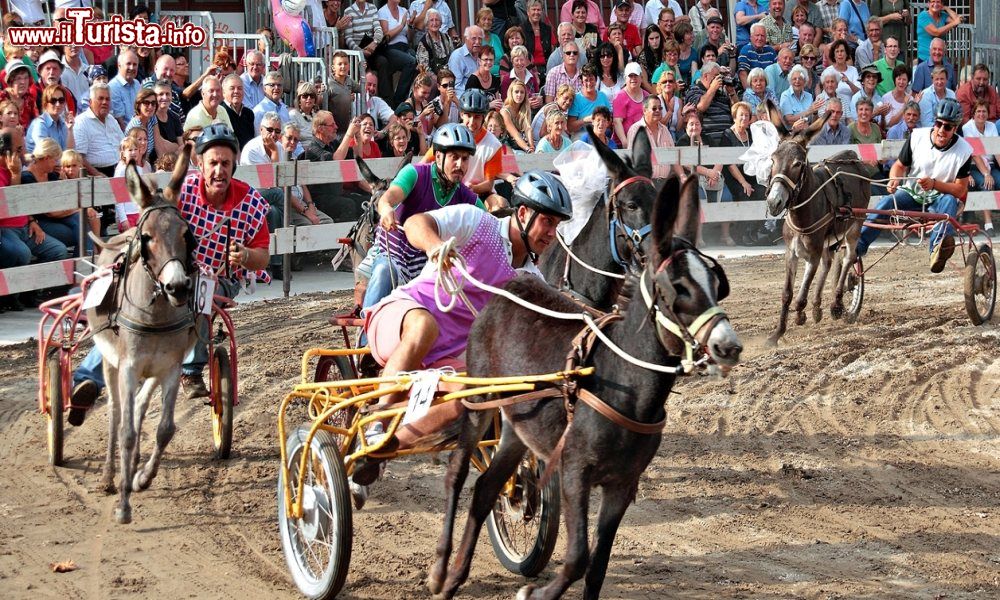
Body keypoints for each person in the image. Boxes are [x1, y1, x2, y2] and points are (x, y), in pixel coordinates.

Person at [71, 124, 273, 411]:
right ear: (200, 164)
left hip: (219, 277)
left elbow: (263, 256)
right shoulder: (183, 191)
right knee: (127, 304)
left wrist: (245, 255)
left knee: (203, 290)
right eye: (213, 163)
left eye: (225, 164)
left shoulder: (251, 202)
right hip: (171, 272)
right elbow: (155, 222)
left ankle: (191, 372)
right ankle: (86, 380)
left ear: (234, 165)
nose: (219, 171)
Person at [362, 171, 572, 413]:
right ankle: (377, 422)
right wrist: (434, 246)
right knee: (424, 326)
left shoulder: (530, 280)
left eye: (556, 225)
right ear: (523, 213)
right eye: (547, 221)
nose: (552, 234)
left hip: (444, 358)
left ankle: (395, 442)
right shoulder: (476, 222)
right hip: (398, 321)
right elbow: (415, 223)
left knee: (476, 394)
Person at [363, 123, 485, 321]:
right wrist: (385, 210)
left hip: (432, 264)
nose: (460, 165)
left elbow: (490, 225)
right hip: (395, 254)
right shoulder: (415, 173)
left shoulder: (467, 196)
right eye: (454, 157)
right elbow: (388, 198)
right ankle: (364, 343)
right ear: (438, 156)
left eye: (465, 159)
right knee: (384, 271)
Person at [857, 97, 970, 274]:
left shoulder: (964, 151)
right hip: (913, 193)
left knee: (949, 201)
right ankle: (859, 246)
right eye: (939, 124)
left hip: (939, 199)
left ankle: (936, 250)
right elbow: (899, 166)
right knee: (887, 203)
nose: (941, 130)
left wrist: (934, 184)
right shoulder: (917, 137)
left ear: (955, 129)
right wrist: (894, 178)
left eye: (948, 127)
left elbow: (961, 189)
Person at [0, 127, 69, 311]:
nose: (24, 153)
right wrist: (15, 175)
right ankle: (10, 296)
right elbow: (10, 204)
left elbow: (24, 204)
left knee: (58, 251)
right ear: (7, 152)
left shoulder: (16, 170)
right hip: (6, 229)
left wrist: (32, 221)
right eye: (19, 149)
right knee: (21, 253)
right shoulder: (11, 171)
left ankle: (32, 293)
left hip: (25, 226)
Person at [425, 89, 513, 198]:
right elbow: (424, 163)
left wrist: (471, 188)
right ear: (461, 114)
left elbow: (489, 184)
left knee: (499, 203)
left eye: (477, 117)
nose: (471, 122)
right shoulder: (448, 135)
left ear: (483, 118)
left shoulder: (493, 145)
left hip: (479, 193)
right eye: (468, 115)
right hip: (447, 190)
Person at [719, 101, 766, 244]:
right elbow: (730, 164)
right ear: (734, 117)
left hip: (750, 174)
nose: (744, 118)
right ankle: (739, 234)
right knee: (744, 193)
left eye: (747, 115)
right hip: (734, 177)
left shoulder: (751, 133)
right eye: (741, 115)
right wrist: (743, 182)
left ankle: (753, 230)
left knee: (763, 192)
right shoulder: (727, 134)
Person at [74, 82, 125, 177]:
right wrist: (97, 174)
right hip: (98, 174)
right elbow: (79, 157)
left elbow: (124, 145)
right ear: (90, 102)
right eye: (100, 98)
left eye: (107, 99)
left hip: (120, 170)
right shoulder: (81, 122)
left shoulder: (111, 119)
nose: (105, 102)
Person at [627, 96, 684, 178]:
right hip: (645, 184)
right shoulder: (635, 130)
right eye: (654, 108)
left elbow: (674, 156)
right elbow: (633, 162)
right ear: (644, 110)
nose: (658, 111)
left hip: (664, 183)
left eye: (660, 108)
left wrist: (682, 176)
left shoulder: (664, 129)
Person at [376, 0, 418, 106]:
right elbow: (386, 36)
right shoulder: (383, 11)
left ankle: (413, 98)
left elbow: (410, 38)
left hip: (405, 46)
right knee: (411, 61)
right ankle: (399, 100)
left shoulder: (404, 10)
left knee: (417, 60)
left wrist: (411, 26)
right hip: (390, 48)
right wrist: (402, 25)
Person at [685, 60, 736, 145]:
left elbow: (737, 111)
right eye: (716, 76)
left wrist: (732, 92)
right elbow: (701, 107)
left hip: (727, 138)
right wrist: (712, 88)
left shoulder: (721, 93)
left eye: (720, 76)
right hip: (707, 139)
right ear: (705, 76)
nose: (719, 79)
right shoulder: (694, 91)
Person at [26, 84, 75, 153]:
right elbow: (47, 155)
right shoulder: (40, 124)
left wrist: (70, 130)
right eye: (53, 101)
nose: (58, 104)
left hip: (57, 162)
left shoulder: (63, 123)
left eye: (61, 100)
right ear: (45, 104)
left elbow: (70, 152)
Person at [567, 64, 612, 134]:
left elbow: (610, 120)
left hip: (601, 133)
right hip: (582, 134)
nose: (589, 83)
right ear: (582, 82)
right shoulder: (577, 99)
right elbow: (570, 127)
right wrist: (585, 120)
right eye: (586, 80)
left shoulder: (602, 96)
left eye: (591, 79)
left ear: (596, 80)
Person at [613, 62, 648, 147]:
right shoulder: (620, 96)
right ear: (625, 78)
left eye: (636, 75)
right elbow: (617, 122)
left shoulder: (647, 96)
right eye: (630, 76)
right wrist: (625, 142)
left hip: (643, 142)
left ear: (641, 77)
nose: (633, 78)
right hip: (624, 143)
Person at [738, 24, 779, 90]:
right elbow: (742, 74)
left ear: (766, 38)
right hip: (753, 90)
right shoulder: (745, 50)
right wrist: (750, 93)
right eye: (757, 35)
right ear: (751, 37)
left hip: (770, 89)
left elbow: (777, 71)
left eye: (762, 36)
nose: (760, 38)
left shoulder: (771, 51)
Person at [416, 8, 455, 76]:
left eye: (437, 20)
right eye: (431, 20)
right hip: (432, 79)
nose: (434, 23)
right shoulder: (424, 43)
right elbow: (424, 69)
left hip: (448, 75)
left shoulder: (447, 38)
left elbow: (453, 58)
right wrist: (438, 81)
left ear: (440, 23)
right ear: (427, 24)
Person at [522, 0, 556, 77]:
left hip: (546, 68)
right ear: (528, 12)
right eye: (533, 9)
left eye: (539, 10)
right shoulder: (521, 29)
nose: (536, 12)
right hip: (528, 70)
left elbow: (552, 50)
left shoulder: (547, 29)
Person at [221, 75, 255, 150]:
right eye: (232, 88)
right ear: (223, 92)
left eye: (240, 88)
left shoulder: (249, 113)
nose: (236, 91)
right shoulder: (219, 111)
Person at [500, 79, 535, 152]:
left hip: (521, 143)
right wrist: (527, 149)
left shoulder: (525, 107)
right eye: (516, 92)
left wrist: (532, 147)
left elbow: (528, 128)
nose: (519, 95)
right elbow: (515, 134)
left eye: (522, 92)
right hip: (507, 144)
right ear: (511, 93)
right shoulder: (505, 112)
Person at [449, 26, 485, 96]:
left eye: (480, 39)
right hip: (465, 100)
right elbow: (456, 87)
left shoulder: (482, 55)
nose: (477, 42)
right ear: (466, 39)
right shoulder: (457, 56)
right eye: (474, 38)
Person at [109, 50, 140, 130]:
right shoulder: (113, 87)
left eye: (135, 64)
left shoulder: (137, 84)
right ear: (119, 65)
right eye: (128, 64)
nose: (132, 68)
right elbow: (120, 122)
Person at [465, 46, 503, 111]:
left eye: (491, 60)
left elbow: (497, 103)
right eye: (485, 59)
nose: (488, 62)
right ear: (479, 61)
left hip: (492, 118)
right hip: (477, 118)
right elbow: (468, 105)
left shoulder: (495, 79)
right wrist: (488, 105)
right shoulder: (473, 80)